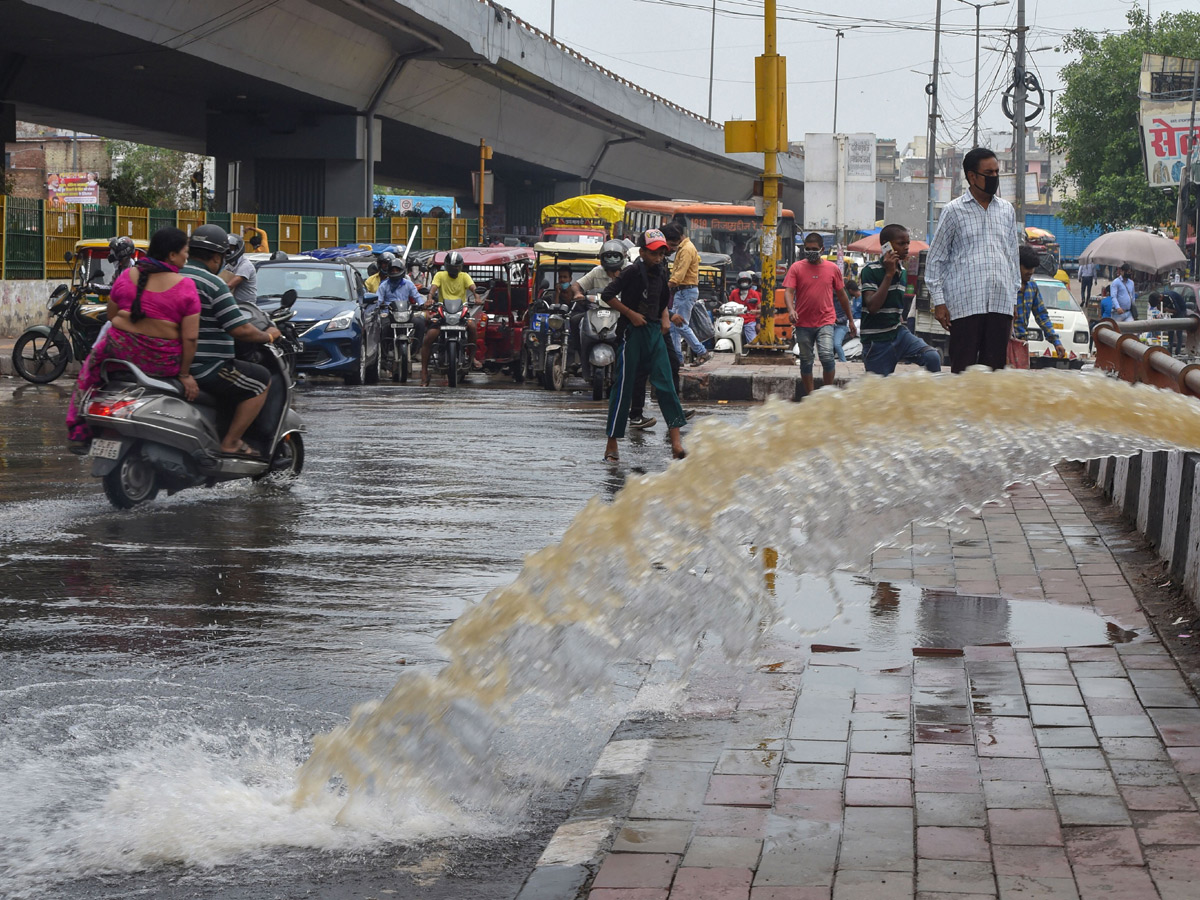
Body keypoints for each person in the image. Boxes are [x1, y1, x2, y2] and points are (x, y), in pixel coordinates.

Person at [65, 227, 201, 452]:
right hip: (162, 361)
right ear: (172, 255)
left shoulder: (127, 276)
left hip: (118, 352)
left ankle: (78, 429)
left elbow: (110, 316)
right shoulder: (186, 286)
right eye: (185, 251)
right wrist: (185, 374)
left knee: (87, 373)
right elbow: (191, 338)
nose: (187, 256)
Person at [184, 224, 281, 457]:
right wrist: (269, 335)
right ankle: (231, 441)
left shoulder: (173, 276)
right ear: (218, 256)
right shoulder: (214, 284)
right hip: (206, 366)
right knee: (260, 380)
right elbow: (240, 330)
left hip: (173, 361)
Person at [924, 147, 1021, 373]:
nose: (995, 178)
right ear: (972, 176)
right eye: (989, 173)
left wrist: (1013, 299)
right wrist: (939, 302)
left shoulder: (1006, 210)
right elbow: (935, 259)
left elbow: (1012, 257)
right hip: (965, 304)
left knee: (995, 371)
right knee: (963, 369)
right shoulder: (953, 211)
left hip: (1000, 303)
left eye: (997, 172)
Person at [601, 229, 687, 461]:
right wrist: (631, 315)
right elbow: (607, 295)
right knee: (624, 388)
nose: (658, 257)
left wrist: (665, 317)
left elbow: (662, 301)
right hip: (632, 333)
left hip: (654, 332)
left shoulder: (661, 273)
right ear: (642, 252)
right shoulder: (630, 272)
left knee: (667, 385)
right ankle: (612, 443)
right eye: (653, 253)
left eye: (661, 253)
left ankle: (677, 444)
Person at [858, 224, 942, 376]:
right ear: (886, 245)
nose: (906, 247)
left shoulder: (902, 271)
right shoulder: (870, 271)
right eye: (901, 243)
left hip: (898, 334)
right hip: (877, 341)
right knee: (879, 391)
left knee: (932, 357)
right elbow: (872, 307)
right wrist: (888, 275)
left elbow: (894, 306)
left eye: (908, 243)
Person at [783, 232, 857, 395]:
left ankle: (827, 393)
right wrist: (791, 310)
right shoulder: (796, 268)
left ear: (822, 249)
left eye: (814, 249)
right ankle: (810, 396)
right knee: (806, 361)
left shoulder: (832, 269)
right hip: (803, 323)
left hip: (826, 321)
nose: (810, 252)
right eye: (807, 249)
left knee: (826, 356)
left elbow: (843, 296)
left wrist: (850, 320)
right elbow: (788, 292)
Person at [568, 240, 627, 372]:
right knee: (575, 320)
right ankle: (578, 355)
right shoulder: (596, 272)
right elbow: (577, 285)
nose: (612, 259)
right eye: (608, 256)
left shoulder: (629, 271)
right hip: (596, 311)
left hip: (621, 311)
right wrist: (578, 294)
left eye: (615, 256)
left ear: (622, 257)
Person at [422, 250, 480, 384]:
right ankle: (424, 371)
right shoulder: (440, 275)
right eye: (452, 267)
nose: (454, 269)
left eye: (456, 267)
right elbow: (433, 289)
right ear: (446, 266)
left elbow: (473, 288)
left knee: (472, 326)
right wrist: (429, 299)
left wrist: (477, 297)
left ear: (460, 267)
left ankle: (472, 356)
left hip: (461, 312)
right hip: (443, 311)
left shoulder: (465, 276)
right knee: (429, 336)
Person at [662, 223, 711, 366]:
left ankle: (702, 352)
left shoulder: (687, 250)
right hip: (681, 291)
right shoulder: (683, 248)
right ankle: (677, 360)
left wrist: (664, 287)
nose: (669, 248)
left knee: (680, 325)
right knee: (674, 327)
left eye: (669, 243)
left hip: (685, 291)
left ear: (675, 239)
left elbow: (679, 274)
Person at [1012, 244, 1066, 366]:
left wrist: (1056, 342)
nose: (1030, 272)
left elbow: (1042, 316)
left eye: (1032, 268)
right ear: (1016, 265)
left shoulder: (1032, 287)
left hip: (1022, 342)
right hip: (1005, 343)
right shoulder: (1007, 287)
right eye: (1026, 268)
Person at [378, 255, 427, 348]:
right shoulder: (384, 285)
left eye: (397, 270)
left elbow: (416, 296)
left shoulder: (408, 283)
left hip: (406, 314)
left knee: (420, 323)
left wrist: (422, 304)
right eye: (392, 270)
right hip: (389, 314)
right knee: (382, 326)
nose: (395, 272)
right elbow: (378, 299)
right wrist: (376, 306)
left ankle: (416, 349)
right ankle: (384, 352)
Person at [221, 233, 258, 309]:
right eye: (226, 249)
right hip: (235, 305)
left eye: (231, 248)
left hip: (247, 307)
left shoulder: (245, 265)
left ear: (238, 248)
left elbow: (230, 285)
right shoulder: (228, 266)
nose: (228, 252)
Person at [728, 270, 761, 344]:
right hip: (735, 320)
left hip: (749, 321)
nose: (744, 283)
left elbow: (762, 309)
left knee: (753, 342)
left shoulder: (754, 293)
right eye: (742, 281)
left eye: (746, 281)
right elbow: (729, 305)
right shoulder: (734, 293)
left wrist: (755, 311)